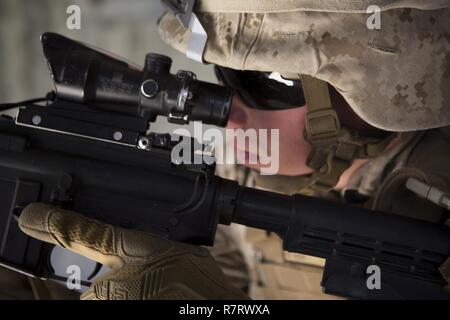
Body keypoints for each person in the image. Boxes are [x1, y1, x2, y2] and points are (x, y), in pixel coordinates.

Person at [4, 1, 450, 299]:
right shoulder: (238, 180)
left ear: (376, 87)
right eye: (222, 77)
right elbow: (237, 282)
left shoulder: (434, 194)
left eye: (266, 82)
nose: (229, 114)